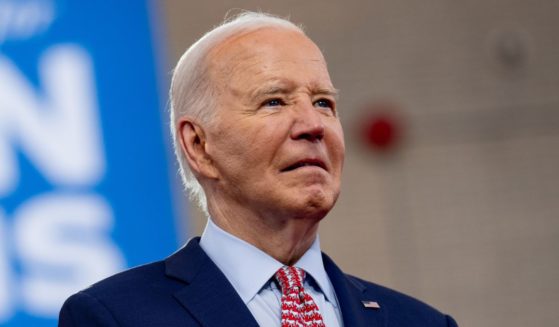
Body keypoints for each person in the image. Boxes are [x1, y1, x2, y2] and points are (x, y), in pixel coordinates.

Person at [59, 11, 458, 327]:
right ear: (199, 145)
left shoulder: (422, 321)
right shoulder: (113, 317)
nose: (313, 125)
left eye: (323, 102)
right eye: (274, 102)